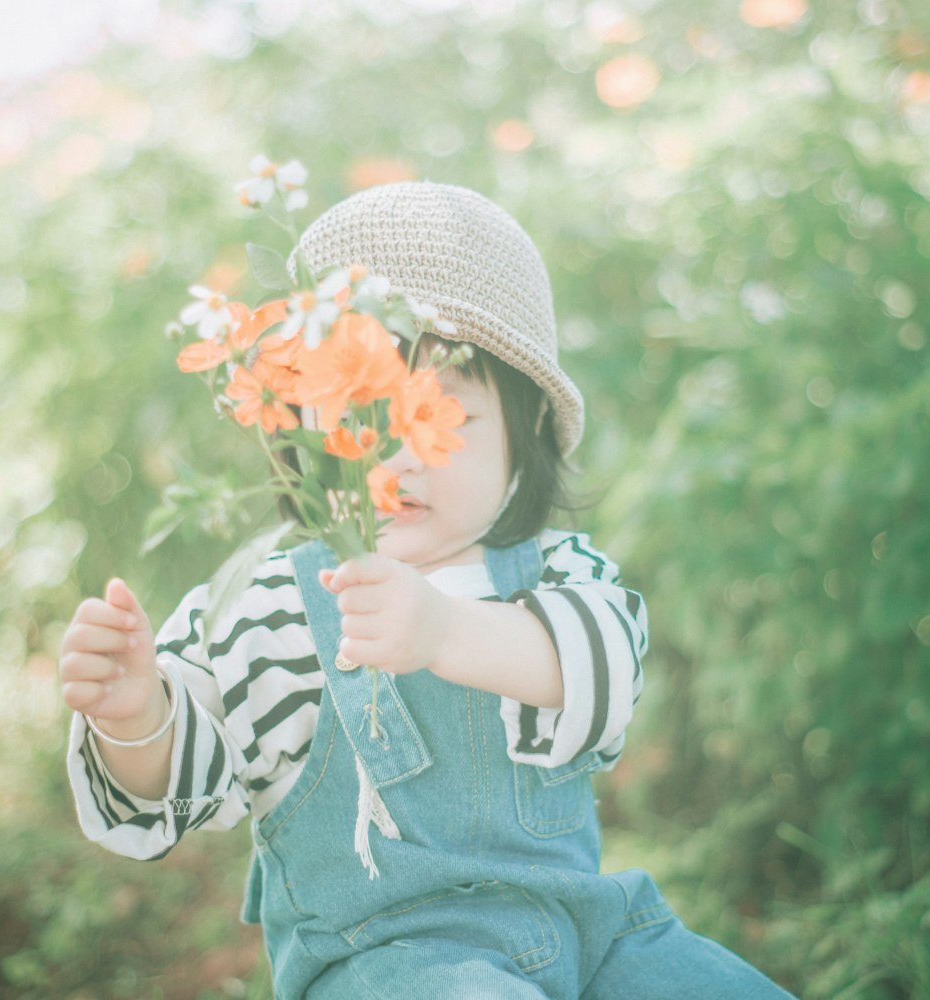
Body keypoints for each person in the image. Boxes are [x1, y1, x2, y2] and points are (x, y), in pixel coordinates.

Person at [59, 182, 795, 999]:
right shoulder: (266, 604)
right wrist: (135, 718)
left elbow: (606, 673)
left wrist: (445, 632)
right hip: (387, 963)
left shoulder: (556, 572)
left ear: (527, 437)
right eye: (357, 414)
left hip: (593, 937)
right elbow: (185, 792)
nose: (397, 457)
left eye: (438, 416)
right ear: (295, 429)